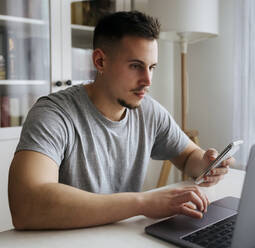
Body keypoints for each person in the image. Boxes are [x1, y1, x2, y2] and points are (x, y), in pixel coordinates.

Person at [8, 11, 235, 230]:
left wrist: (206, 165)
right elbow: (26, 205)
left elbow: (187, 158)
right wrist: (143, 203)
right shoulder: (53, 114)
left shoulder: (149, 111)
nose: (147, 80)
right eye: (136, 66)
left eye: (152, 67)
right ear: (100, 61)